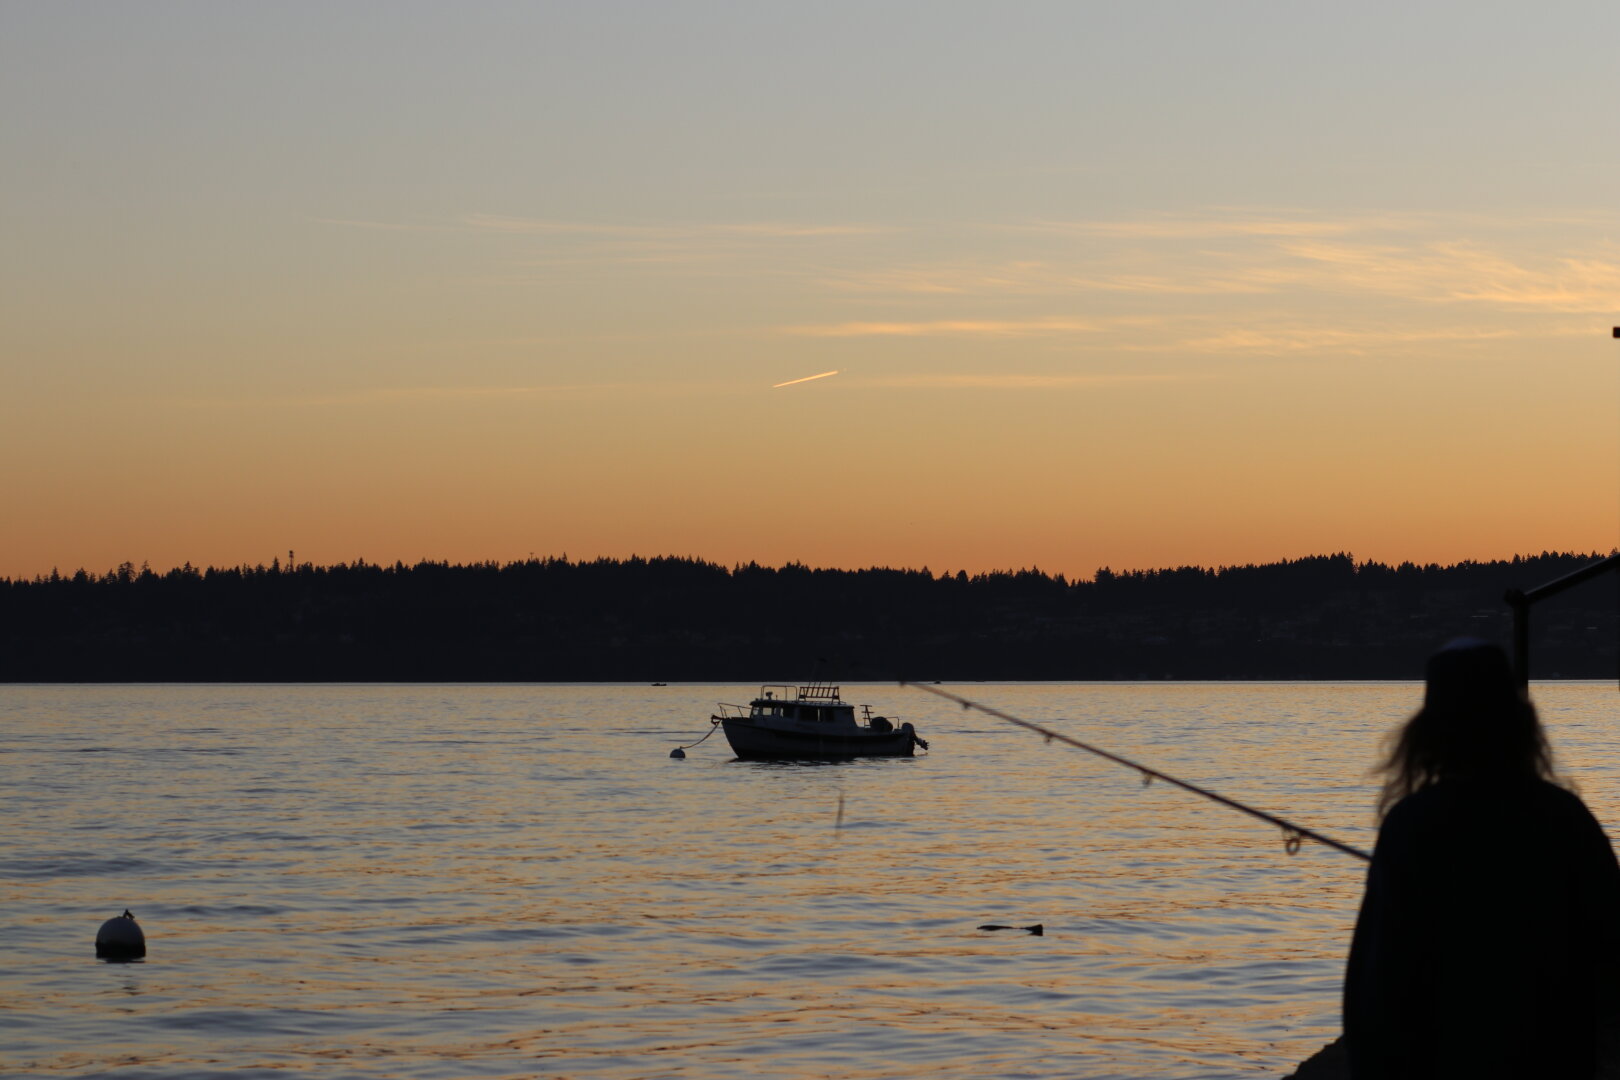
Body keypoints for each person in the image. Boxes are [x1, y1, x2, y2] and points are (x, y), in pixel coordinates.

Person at [1343, 639, 1620, 1079]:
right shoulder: (1565, 817)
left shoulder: (1411, 825)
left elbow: (1378, 981)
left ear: (1429, 733)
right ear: (1520, 725)